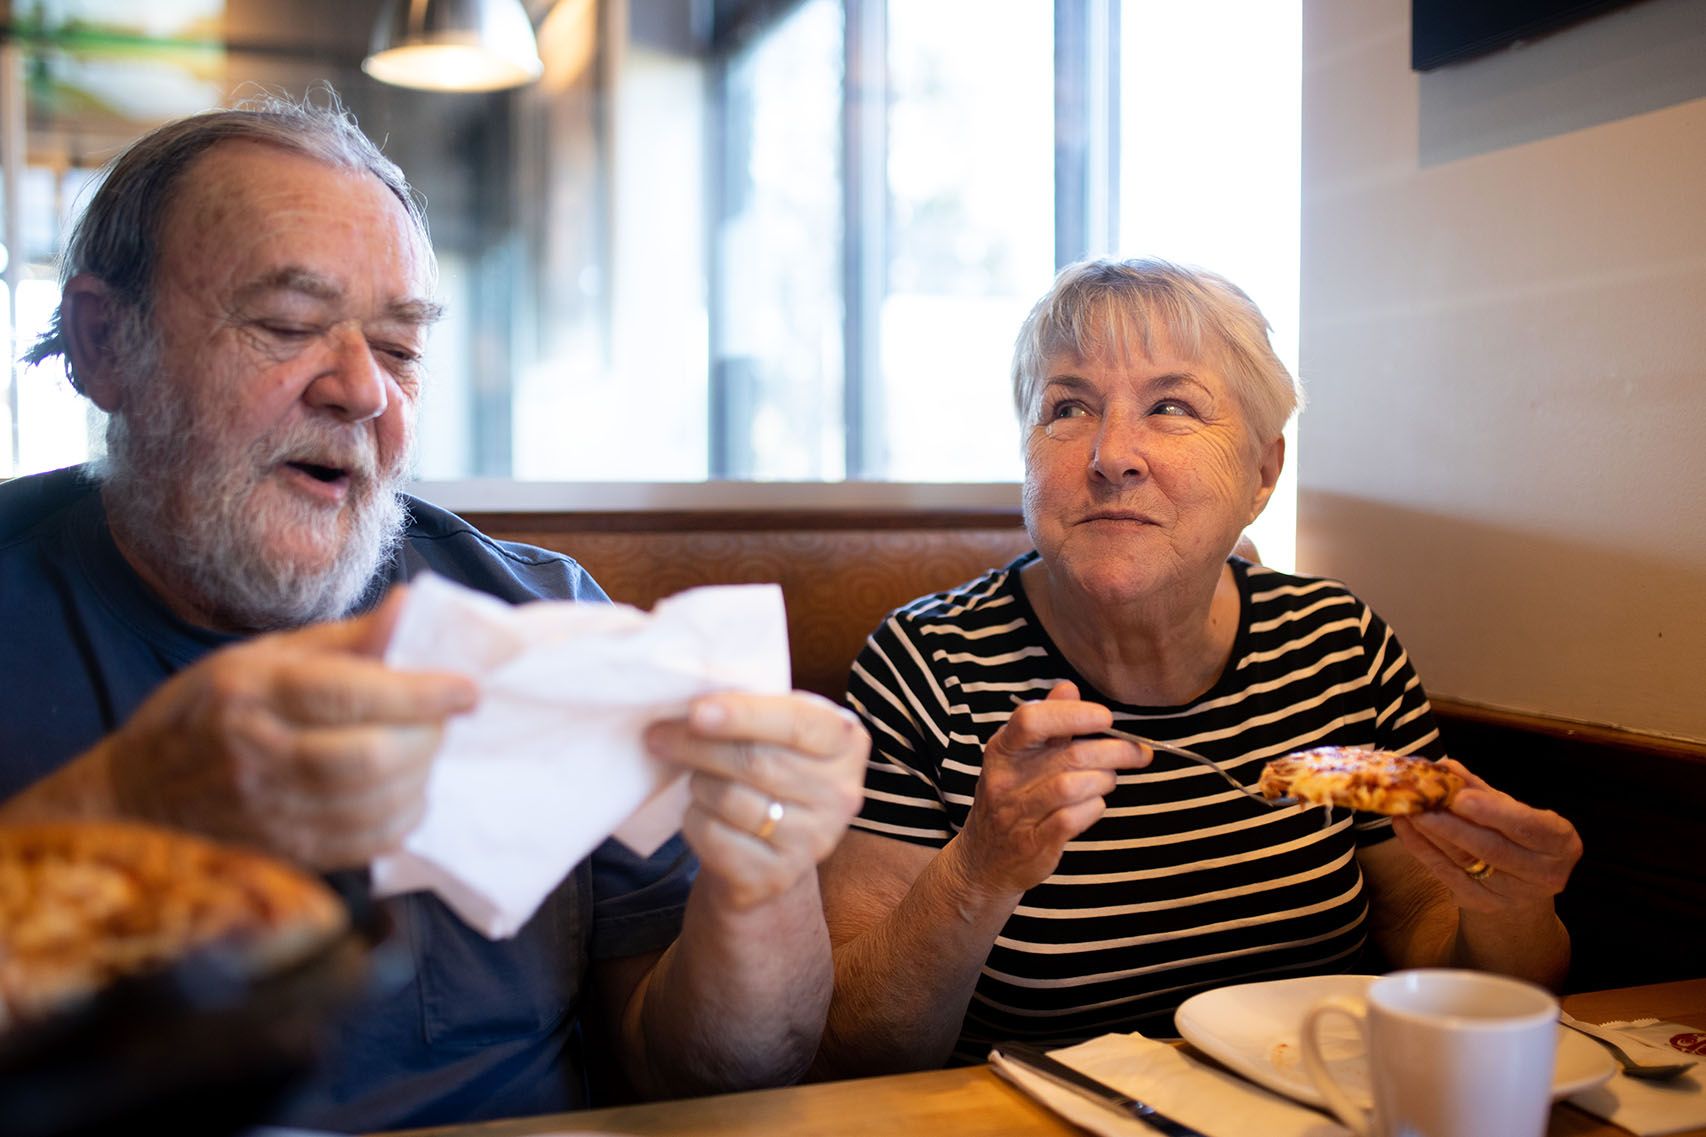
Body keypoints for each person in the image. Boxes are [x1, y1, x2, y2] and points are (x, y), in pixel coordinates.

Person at [0, 94, 867, 1131]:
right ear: (105, 343)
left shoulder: (539, 618)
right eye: (285, 324)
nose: (364, 389)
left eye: (402, 348)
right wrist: (124, 807)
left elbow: (713, 1073)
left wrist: (758, 882)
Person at [812, 257, 1582, 1076]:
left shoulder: (1338, 645)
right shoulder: (929, 665)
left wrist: (1512, 907)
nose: (1112, 455)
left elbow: (1447, 957)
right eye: (1067, 407)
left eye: (1171, 406)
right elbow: (853, 1039)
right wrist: (978, 869)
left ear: (1262, 472)